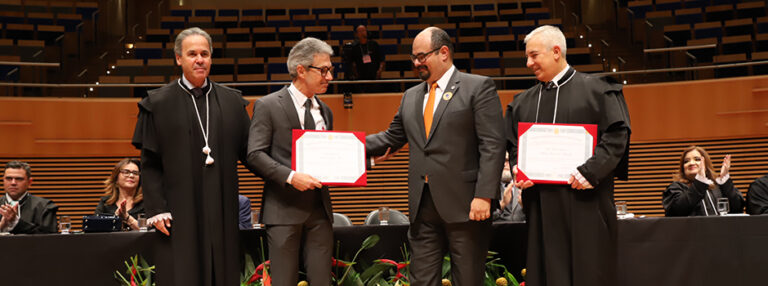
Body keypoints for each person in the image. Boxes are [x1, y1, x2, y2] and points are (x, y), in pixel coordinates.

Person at [366, 27, 505, 285]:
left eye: (422, 56)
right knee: (421, 280)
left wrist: (484, 195)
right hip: (423, 207)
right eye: (414, 58)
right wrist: (344, 146)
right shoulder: (411, 96)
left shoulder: (478, 87)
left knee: (467, 279)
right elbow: (390, 138)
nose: (417, 63)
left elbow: (493, 144)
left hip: (467, 206)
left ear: (443, 52)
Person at [505, 25, 631, 286]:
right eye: (527, 57)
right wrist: (520, 168)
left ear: (555, 52)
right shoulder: (522, 102)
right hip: (540, 207)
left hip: (588, 203)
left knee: (590, 271)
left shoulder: (599, 90)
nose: (528, 63)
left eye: (534, 55)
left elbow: (617, 135)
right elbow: (513, 145)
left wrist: (590, 171)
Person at [131, 27, 253, 286]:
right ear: (178, 58)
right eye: (192, 54)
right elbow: (150, 163)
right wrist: (158, 209)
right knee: (182, 274)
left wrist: (289, 171)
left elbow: (252, 153)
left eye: (205, 54)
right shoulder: (158, 103)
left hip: (222, 208)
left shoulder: (233, 102)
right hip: (179, 211)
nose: (200, 59)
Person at [247, 37, 335, 286]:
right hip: (282, 210)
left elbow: (331, 155)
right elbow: (255, 154)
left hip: (320, 210)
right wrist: (290, 176)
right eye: (324, 70)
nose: (329, 77)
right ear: (301, 70)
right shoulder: (268, 105)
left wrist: (365, 163)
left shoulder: (326, 111)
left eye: (331, 70)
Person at [663, 146, 744, 216]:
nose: (691, 163)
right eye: (686, 161)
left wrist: (724, 180)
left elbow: (737, 208)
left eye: (697, 159)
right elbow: (676, 211)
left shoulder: (719, 186)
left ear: (706, 164)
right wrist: (700, 181)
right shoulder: (675, 188)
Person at [0, 160, 58, 234]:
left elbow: (51, 239)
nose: (13, 183)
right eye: (9, 178)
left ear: (29, 182)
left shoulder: (45, 207)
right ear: (3, 180)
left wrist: (16, 222)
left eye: (19, 179)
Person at [94, 158, 145, 230]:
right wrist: (115, 218)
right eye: (126, 172)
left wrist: (127, 218)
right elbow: (95, 228)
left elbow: (147, 231)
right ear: (116, 178)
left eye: (135, 173)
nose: (131, 175)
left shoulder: (146, 203)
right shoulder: (105, 203)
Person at [493, 154, 525, 222]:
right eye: (502, 161)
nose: (504, 164)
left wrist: (525, 206)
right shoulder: (490, 187)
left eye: (507, 161)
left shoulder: (525, 185)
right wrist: (502, 204)